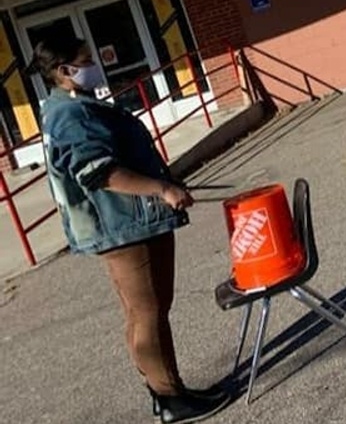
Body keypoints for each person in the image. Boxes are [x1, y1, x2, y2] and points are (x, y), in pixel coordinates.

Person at [32, 32, 231, 423]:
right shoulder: (70, 114)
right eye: (85, 60)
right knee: (148, 313)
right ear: (63, 71)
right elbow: (99, 172)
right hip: (124, 226)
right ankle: (170, 398)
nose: (94, 65)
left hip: (130, 222)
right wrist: (161, 189)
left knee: (146, 312)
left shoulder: (73, 105)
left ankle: (169, 387)